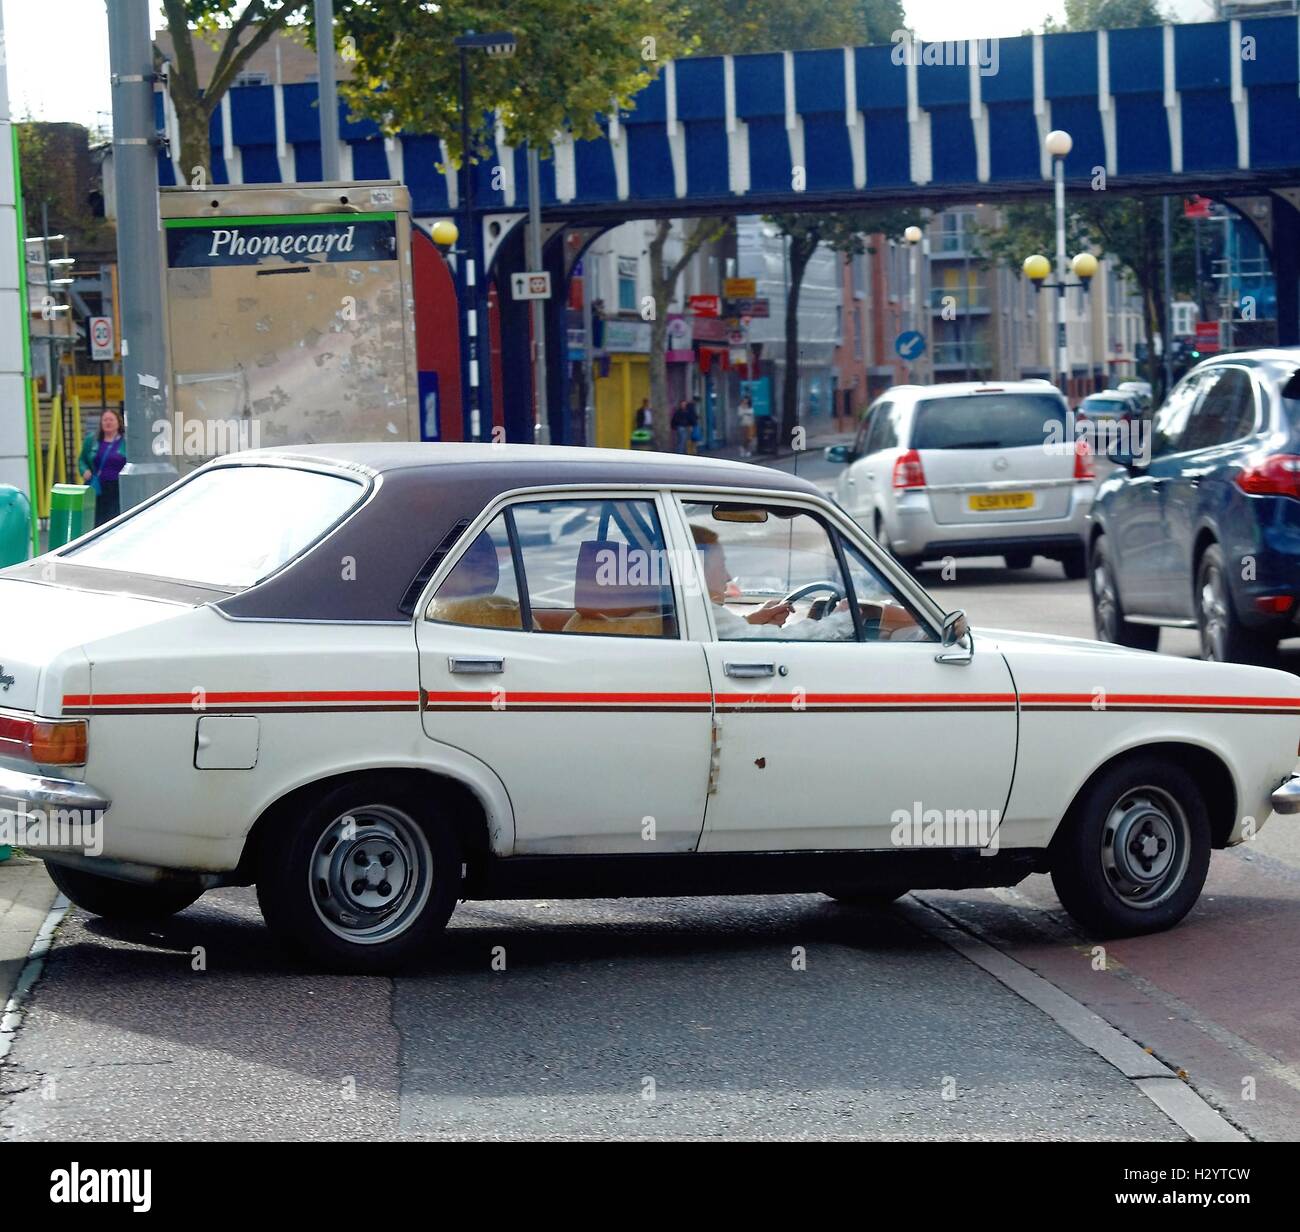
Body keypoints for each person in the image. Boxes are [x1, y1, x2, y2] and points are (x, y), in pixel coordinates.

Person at [691, 524, 919, 641]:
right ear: (697, 569)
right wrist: (844, 619)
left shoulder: (688, 613)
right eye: (721, 565)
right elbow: (782, 642)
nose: (728, 577)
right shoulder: (695, 610)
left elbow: (731, 634)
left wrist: (751, 621)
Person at [78, 408, 127, 527]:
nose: (108, 423)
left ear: (118, 423)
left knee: (115, 519)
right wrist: (84, 470)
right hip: (98, 487)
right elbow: (82, 459)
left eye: (111, 420)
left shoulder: (125, 441)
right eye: (105, 420)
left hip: (118, 488)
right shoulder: (92, 440)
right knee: (97, 521)